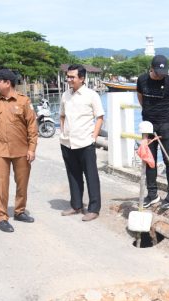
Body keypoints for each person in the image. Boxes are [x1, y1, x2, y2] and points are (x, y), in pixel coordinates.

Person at [0, 69, 38, 232]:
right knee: (0, 184)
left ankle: (20, 211)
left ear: (7, 82)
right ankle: (1, 217)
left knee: (22, 183)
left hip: (21, 149)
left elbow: (32, 127)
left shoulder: (23, 101)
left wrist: (32, 148)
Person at [136, 54, 169, 210]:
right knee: (149, 160)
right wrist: (150, 112)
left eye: (163, 72)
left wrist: (164, 112)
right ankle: (152, 194)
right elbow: (141, 99)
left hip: (165, 125)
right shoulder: (142, 80)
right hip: (148, 126)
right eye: (157, 72)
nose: (160, 75)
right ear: (151, 68)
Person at [59, 64, 105, 221]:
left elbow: (99, 117)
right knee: (73, 175)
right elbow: (62, 115)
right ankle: (76, 205)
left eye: (72, 77)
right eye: (68, 76)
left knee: (91, 175)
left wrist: (93, 137)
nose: (69, 79)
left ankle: (94, 208)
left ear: (82, 78)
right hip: (67, 142)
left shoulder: (91, 95)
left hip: (85, 142)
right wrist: (62, 132)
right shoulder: (65, 95)